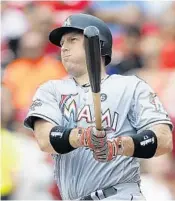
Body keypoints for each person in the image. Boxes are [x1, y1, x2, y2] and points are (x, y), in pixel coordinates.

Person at [24, 13, 173, 200]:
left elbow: (164, 139)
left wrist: (119, 145)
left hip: (119, 195)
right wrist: (82, 137)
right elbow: (44, 139)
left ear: (98, 45)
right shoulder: (51, 90)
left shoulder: (131, 86)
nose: (64, 48)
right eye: (62, 44)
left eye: (72, 40)